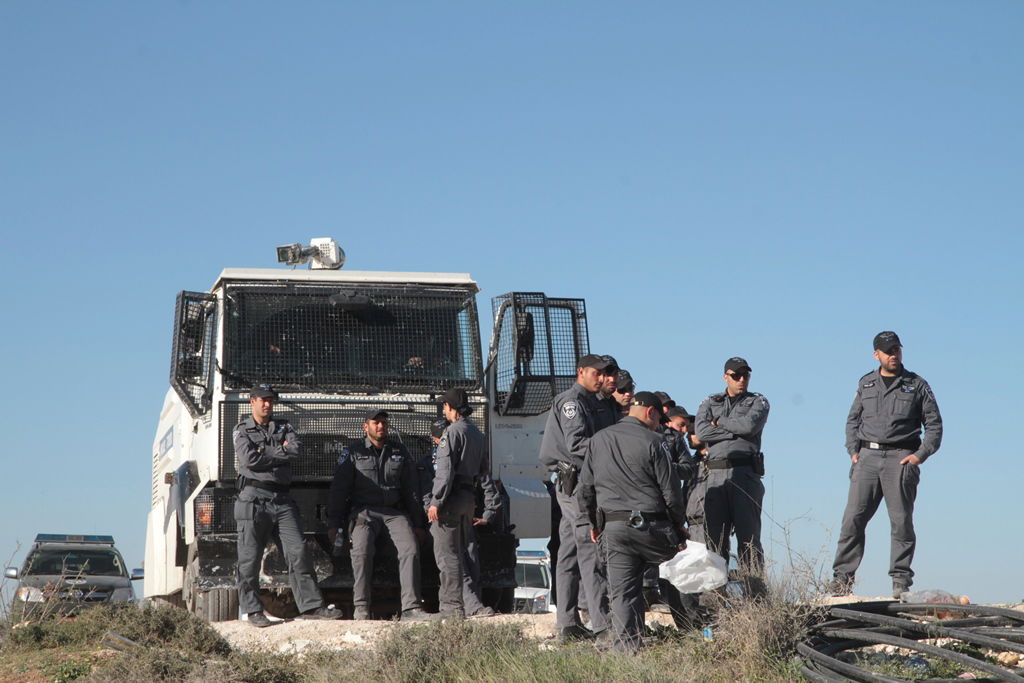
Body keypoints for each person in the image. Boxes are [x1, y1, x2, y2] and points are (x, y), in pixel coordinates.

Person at [830, 331, 942, 598]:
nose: (893, 355)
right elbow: (852, 420)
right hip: (867, 459)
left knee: (901, 523)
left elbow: (935, 426)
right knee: (852, 520)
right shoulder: (866, 383)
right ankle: (841, 580)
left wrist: (919, 455)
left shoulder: (917, 385)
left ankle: (900, 582)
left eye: (897, 350)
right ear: (876, 354)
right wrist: (853, 451)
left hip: (901, 459)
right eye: (888, 351)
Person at [578, 391, 688, 653]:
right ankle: (694, 633)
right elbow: (671, 490)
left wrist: (594, 523)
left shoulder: (598, 440)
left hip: (613, 529)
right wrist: (678, 526)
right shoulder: (656, 441)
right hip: (653, 528)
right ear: (650, 412)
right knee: (681, 572)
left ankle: (626, 654)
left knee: (623, 593)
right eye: (659, 418)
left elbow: (585, 489)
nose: (660, 424)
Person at [233, 384, 342, 627]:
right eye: (262, 400)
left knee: (299, 553)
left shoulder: (285, 426)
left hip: (282, 500)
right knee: (249, 558)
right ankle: (253, 611)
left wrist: (265, 452)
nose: (267, 404)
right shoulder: (241, 430)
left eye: (270, 400)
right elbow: (248, 459)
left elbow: (296, 450)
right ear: (252, 402)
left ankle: (312, 606)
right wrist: (278, 451)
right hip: (253, 500)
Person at [538, 354, 616, 643]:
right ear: (581, 372)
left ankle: (568, 624)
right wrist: (615, 449)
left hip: (587, 484)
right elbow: (576, 445)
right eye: (596, 373)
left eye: (605, 373)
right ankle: (602, 626)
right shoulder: (571, 402)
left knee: (568, 553)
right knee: (589, 549)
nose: (601, 378)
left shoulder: (599, 402)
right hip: (575, 485)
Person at [327, 408, 430, 621]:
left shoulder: (400, 451)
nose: (381, 426)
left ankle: (411, 608)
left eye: (384, 422)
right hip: (364, 512)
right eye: (376, 422)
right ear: (366, 427)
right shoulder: (353, 452)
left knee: (410, 548)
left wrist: (418, 524)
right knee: (361, 551)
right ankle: (361, 607)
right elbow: (339, 490)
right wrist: (334, 523)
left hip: (394, 512)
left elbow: (411, 490)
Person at [695, 357, 770, 597]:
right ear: (725, 376)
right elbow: (701, 431)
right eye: (736, 375)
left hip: (745, 475)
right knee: (715, 543)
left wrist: (720, 423)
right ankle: (717, 599)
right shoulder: (710, 401)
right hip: (715, 477)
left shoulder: (758, 401)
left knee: (749, 541)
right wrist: (731, 429)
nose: (741, 380)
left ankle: (755, 597)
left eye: (745, 375)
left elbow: (749, 427)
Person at [427, 388, 494, 619]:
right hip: (469, 499)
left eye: (444, 405)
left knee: (447, 557)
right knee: (463, 554)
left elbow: (444, 473)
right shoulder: (477, 433)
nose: (443, 410)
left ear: (451, 407)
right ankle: (473, 605)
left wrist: (436, 501)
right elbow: (485, 471)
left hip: (451, 500)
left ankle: (451, 608)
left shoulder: (451, 433)